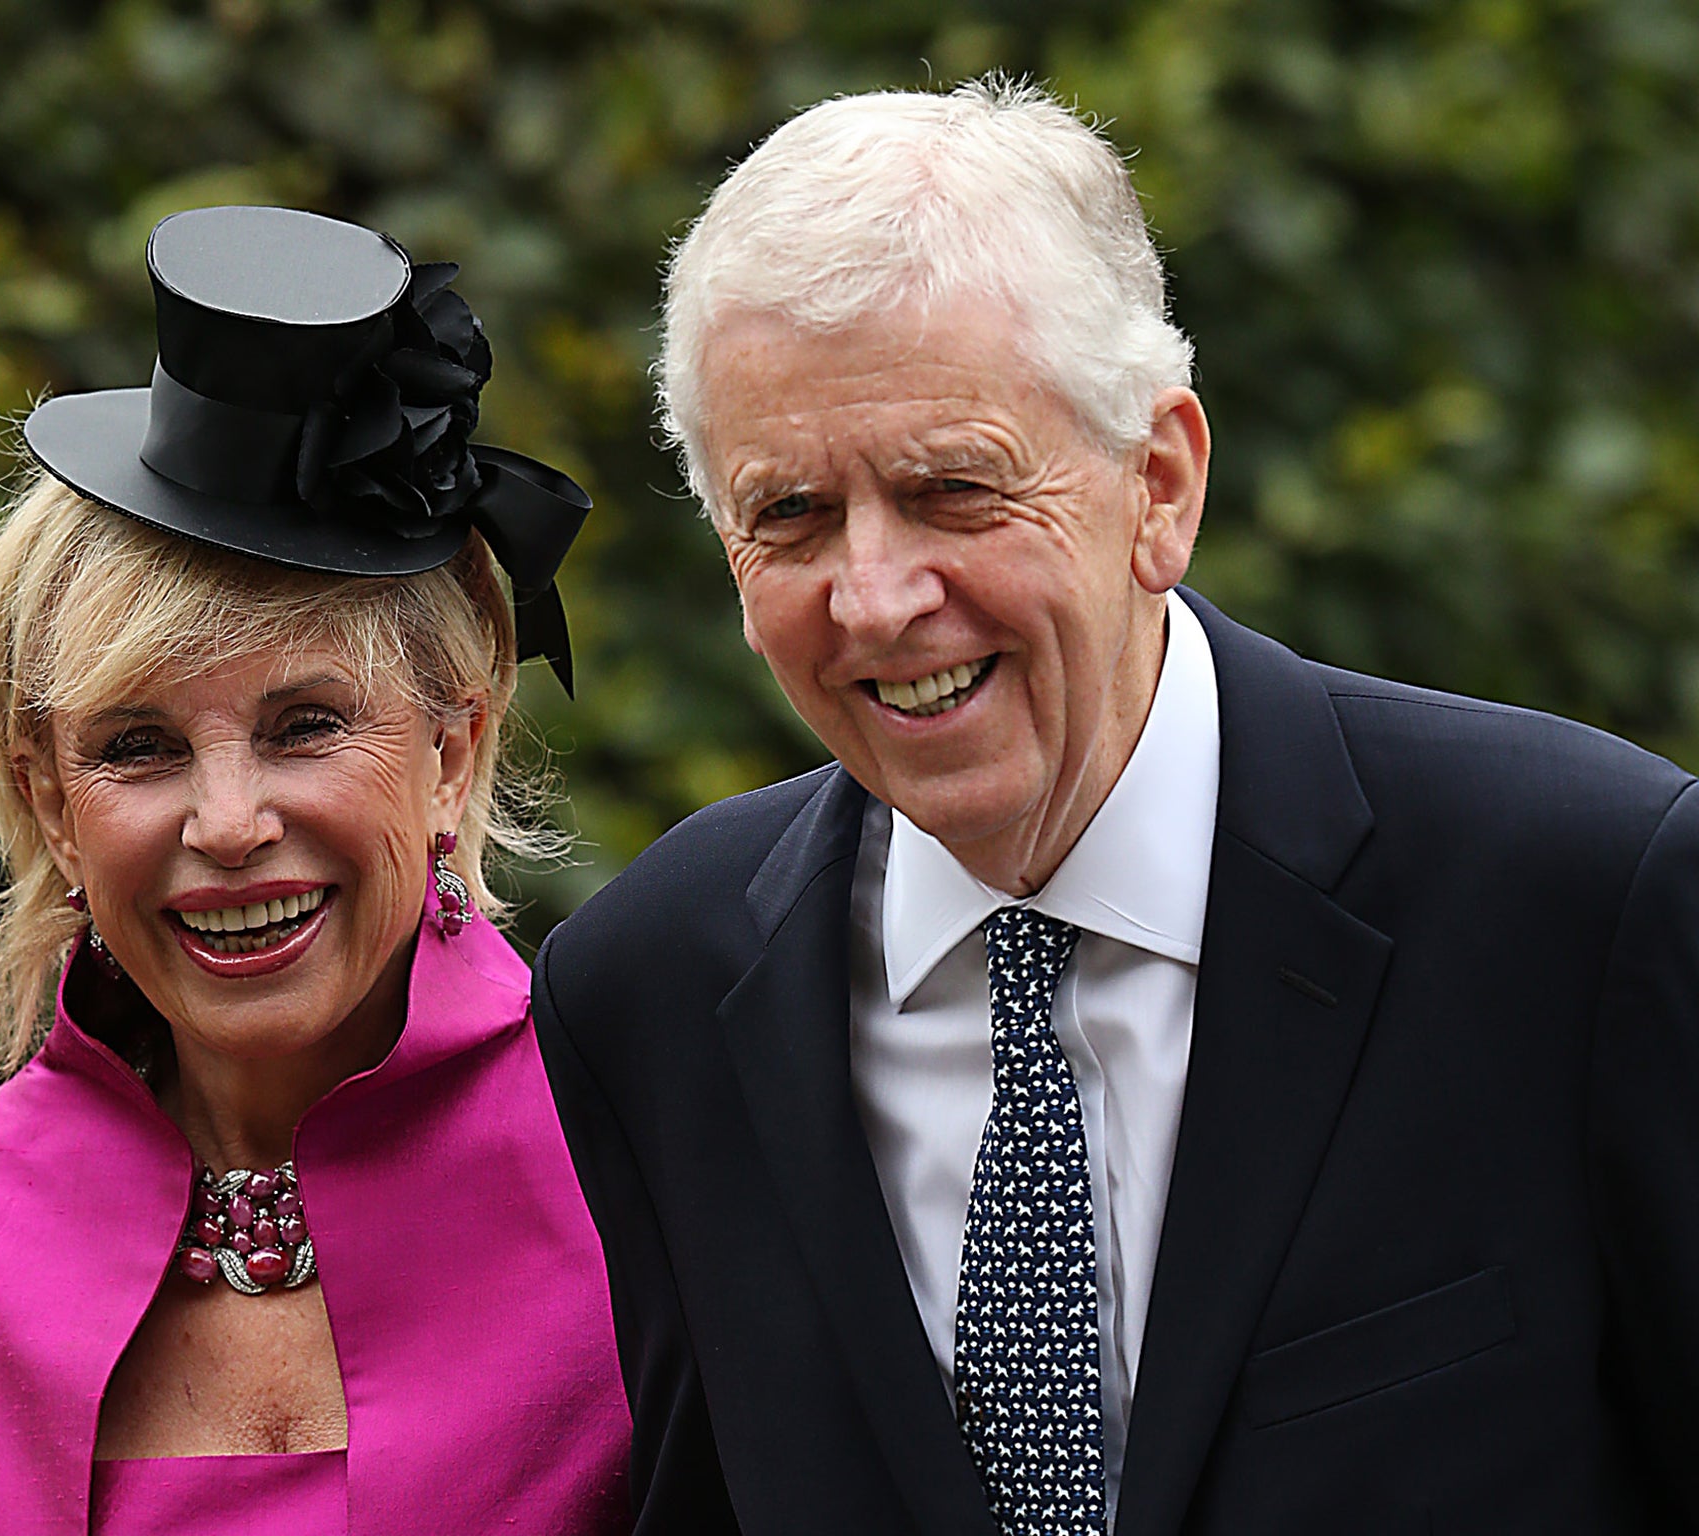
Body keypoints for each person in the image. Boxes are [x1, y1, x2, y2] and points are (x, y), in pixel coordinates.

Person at [532, 79, 1699, 1536]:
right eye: (790, 516)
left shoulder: (1579, 897)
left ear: (1160, 484)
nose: (878, 599)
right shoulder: (649, 991)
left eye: (953, 489)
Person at [0, 205, 630, 1533]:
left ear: (453, 758)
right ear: (52, 805)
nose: (227, 823)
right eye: (138, 746)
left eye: (306, 726)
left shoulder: (643, 1166)